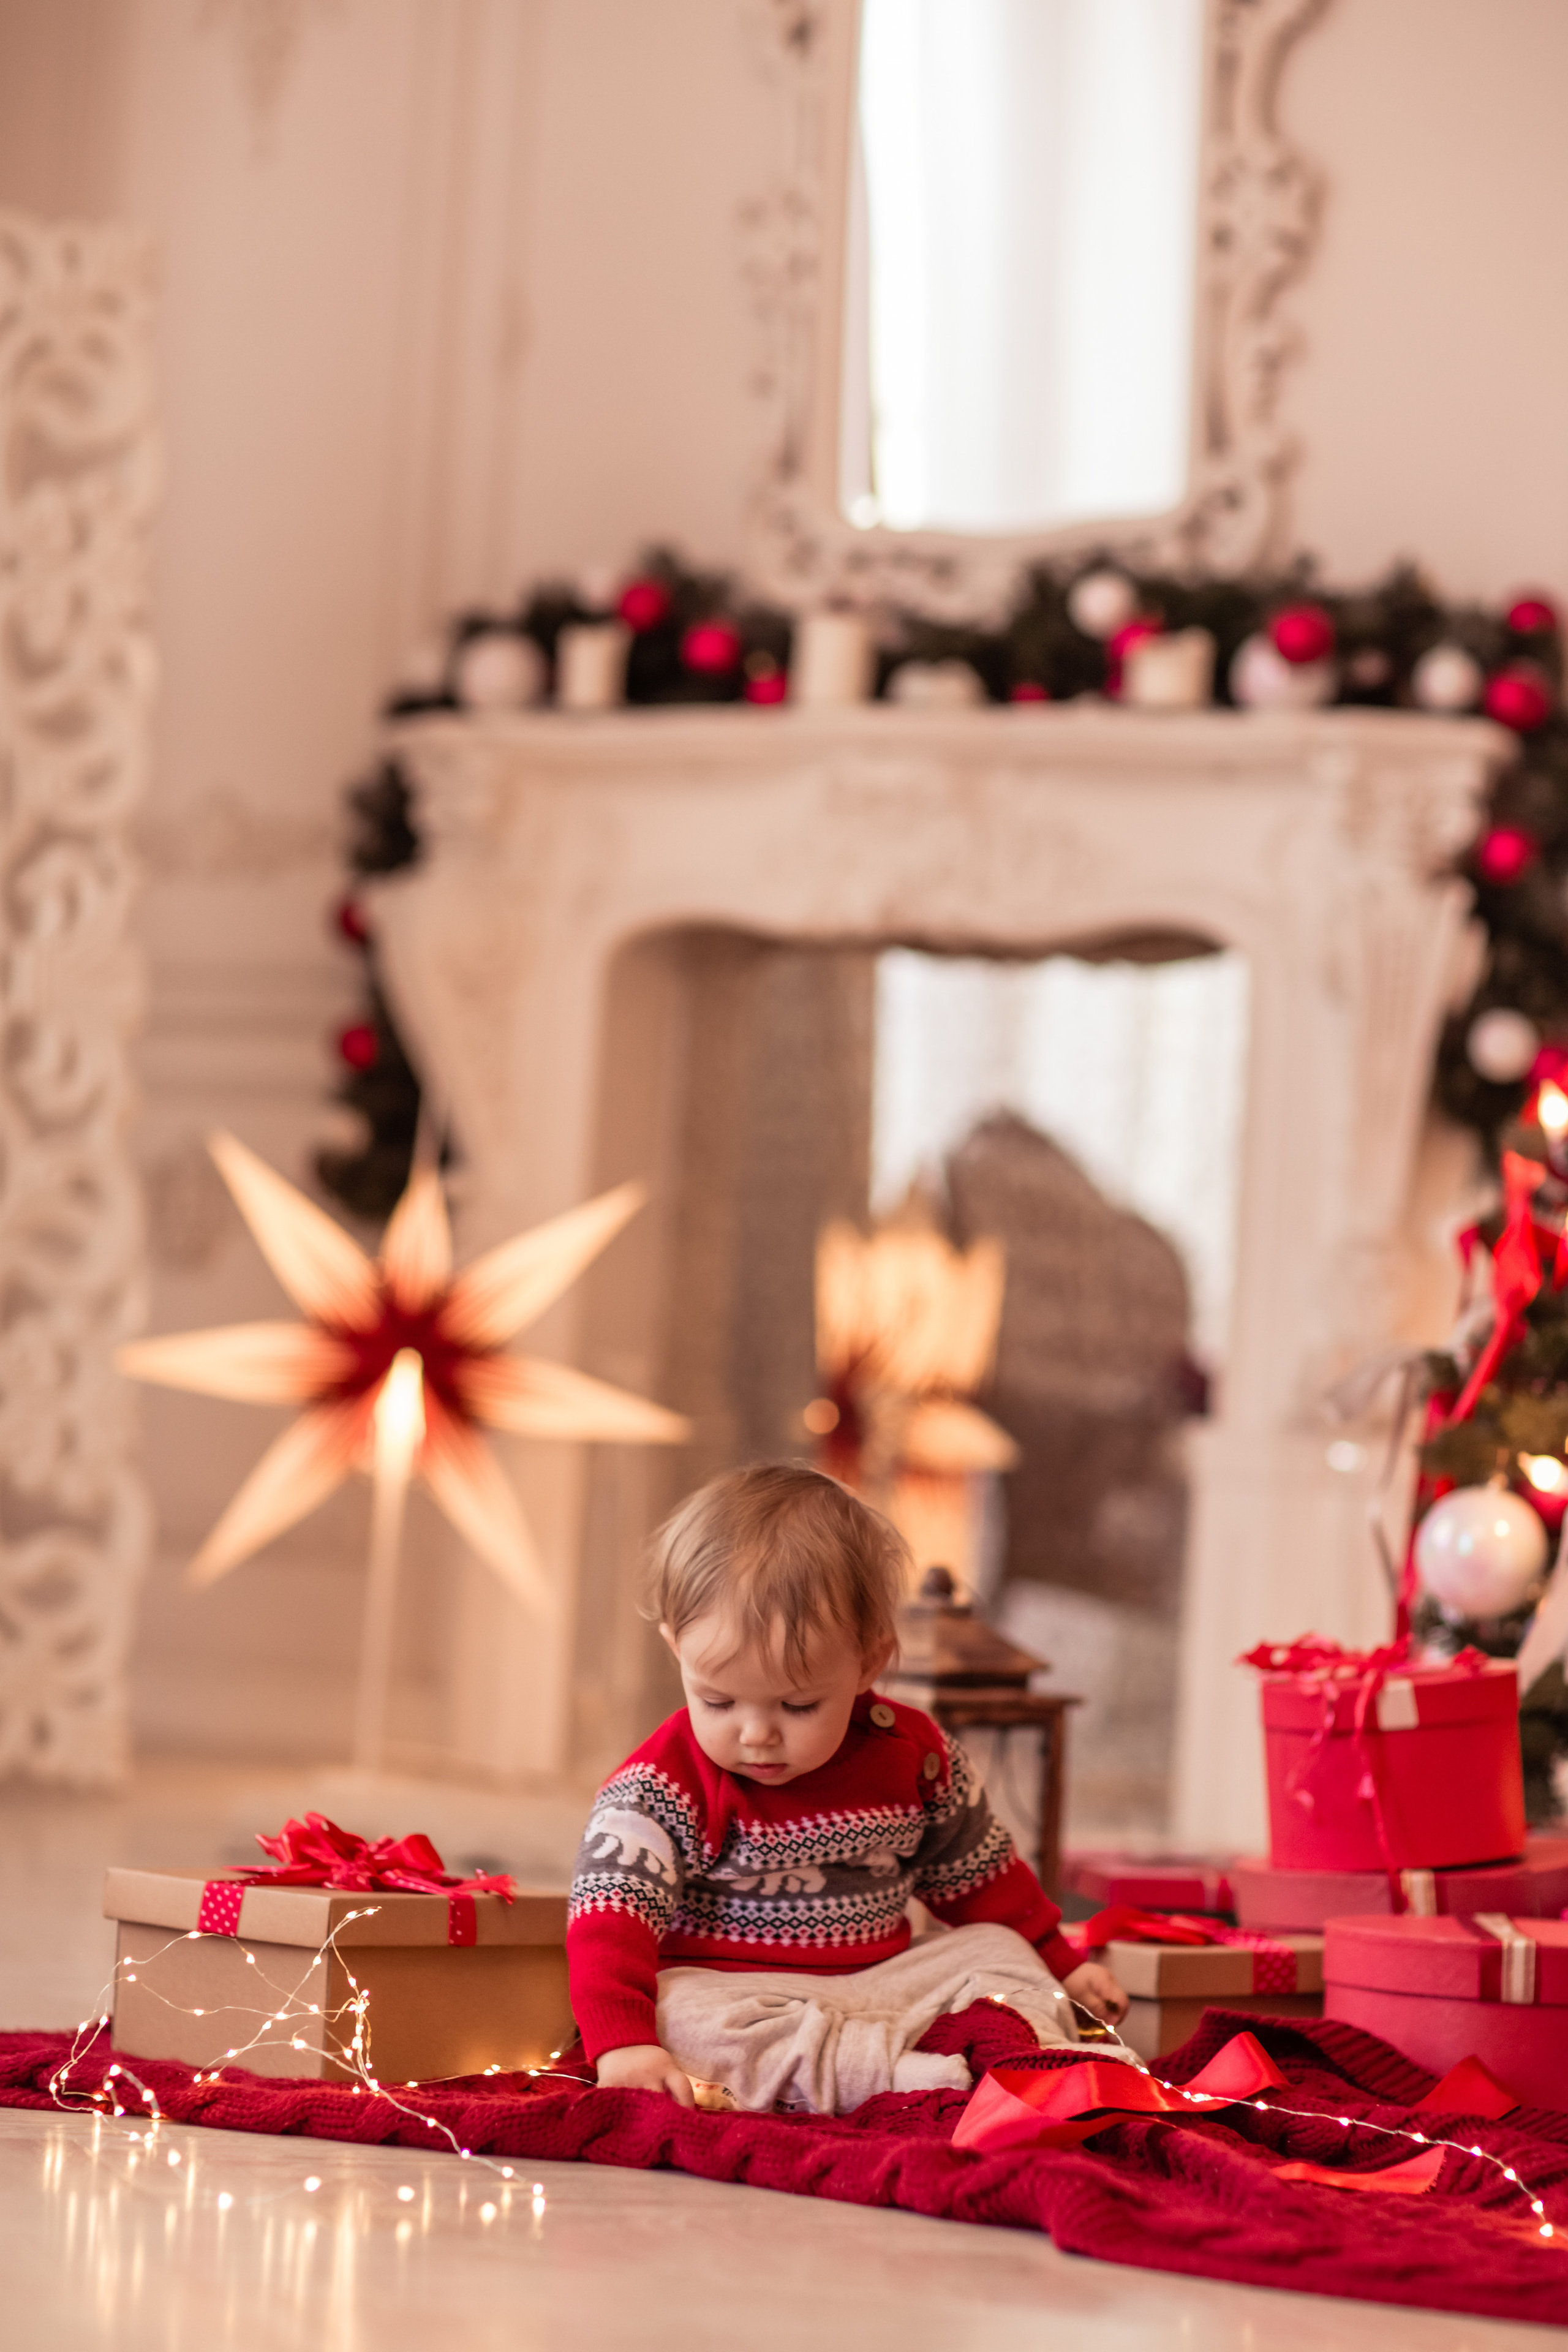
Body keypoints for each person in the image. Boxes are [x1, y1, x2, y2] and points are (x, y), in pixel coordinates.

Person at [567, 1461, 1128, 2109]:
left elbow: (982, 1878)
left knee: (997, 1952)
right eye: (718, 1702)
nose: (756, 1735)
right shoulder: (659, 1789)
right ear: (676, 1650)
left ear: (868, 1663)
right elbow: (610, 1923)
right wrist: (624, 2046)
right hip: (744, 1995)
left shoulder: (912, 1757)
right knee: (682, 2017)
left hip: (887, 1982)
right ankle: (888, 2077)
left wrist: (1063, 1963)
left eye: (797, 1706)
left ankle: (1031, 2054)